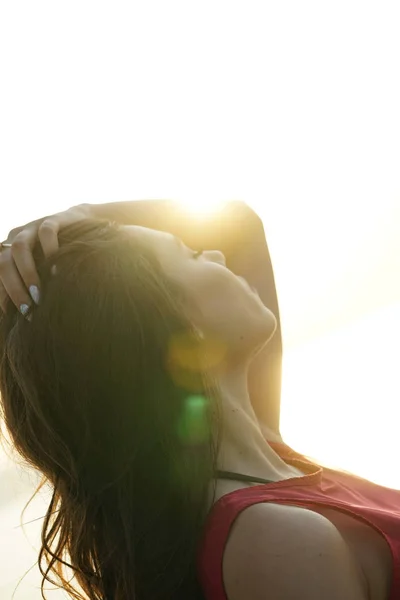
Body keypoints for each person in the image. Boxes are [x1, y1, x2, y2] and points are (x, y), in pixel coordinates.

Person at [0, 201, 396, 600]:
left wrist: (84, 216)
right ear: (183, 329)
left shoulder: (263, 455)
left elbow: (241, 225)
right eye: (191, 255)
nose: (217, 253)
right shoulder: (275, 540)